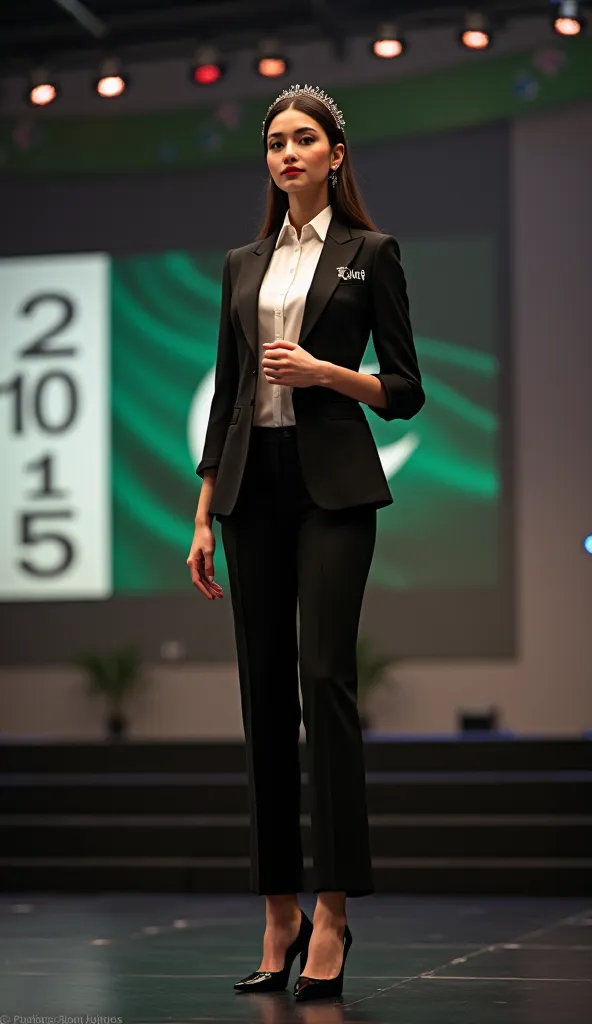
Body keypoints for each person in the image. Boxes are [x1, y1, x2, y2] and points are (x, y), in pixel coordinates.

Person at [187, 83, 425, 1002]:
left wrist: (330, 373)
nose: (287, 153)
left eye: (304, 139)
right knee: (261, 699)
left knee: (323, 680)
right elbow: (228, 393)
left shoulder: (372, 254)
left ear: (336, 154)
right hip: (250, 490)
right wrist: (204, 512)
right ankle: (278, 910)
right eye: (276, 141)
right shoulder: (242, 264)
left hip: (333, 486)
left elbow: (405, 389)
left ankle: (333, 911)